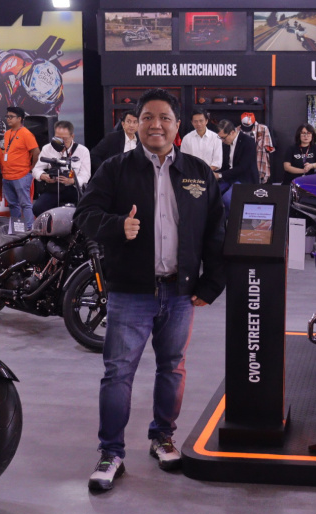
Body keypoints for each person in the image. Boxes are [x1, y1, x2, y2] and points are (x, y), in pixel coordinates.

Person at [75, 88, 225, 491]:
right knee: (118, 373)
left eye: (164, 118)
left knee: (172, 367)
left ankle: (163, 436)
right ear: (135, 124)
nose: (155, 125)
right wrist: (116, 225)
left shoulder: (198, 172)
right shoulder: (115, 169)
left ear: (178, 126)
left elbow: (217, 230)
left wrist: (212, 283)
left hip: (180, 293)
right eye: (147, 118)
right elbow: (85, 215)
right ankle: (111, 452)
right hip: (130, 293)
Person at [32, 120, 91, 216]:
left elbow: (86, 175)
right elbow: (36, 169)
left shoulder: (82, 151)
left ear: (72, 136)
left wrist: (72, 181)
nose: (61, 142)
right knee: (38, 208)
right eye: (58, 138)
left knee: (85, 210)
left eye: (64, 139)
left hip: (74, 188)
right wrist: (44, 176)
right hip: (54, 188)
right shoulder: (47, 148)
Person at [1, 107, 39, 229]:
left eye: (11, 117)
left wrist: (32, 169)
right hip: (7, 175)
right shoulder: (7, 133)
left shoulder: (26, 134)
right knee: (12, 204)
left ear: (19, 119)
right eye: (7, 116)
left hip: (21, 174)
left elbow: (36, 152)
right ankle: (16, 229)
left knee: (25, 204)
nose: (8, 119)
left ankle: (30, 229)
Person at [216, 118, 259, 216]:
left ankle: (234, 221)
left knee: (227, 199)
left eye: (223, 138)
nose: (222, 141)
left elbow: (243, 168)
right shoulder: (226, 143)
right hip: (229, 177)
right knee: (211, 193)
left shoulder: (248, 142)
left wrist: (220, 175)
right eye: (220, 138)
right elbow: (225, 165)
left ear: (232, 132)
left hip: (244, 179)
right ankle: (221, 221)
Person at [237, 112, 275, 184]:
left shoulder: (263, 129)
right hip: (243, 167)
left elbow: (270, 149)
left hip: (259, 164)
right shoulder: (237, 130)